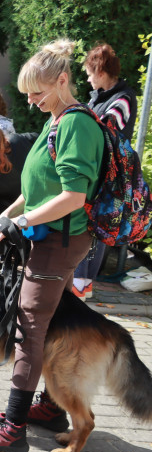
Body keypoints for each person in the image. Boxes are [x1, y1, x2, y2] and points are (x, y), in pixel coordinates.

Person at [0, 39, 104, 452]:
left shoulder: (77, 124)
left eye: (37, 92)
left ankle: (12, 427)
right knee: (42, 321)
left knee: (29, 328)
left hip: (58, 241)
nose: (30, 100)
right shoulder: (57, 119)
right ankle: (49, 409)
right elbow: (37, 189)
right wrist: (8, 216)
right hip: (48, 236)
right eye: (26, 93)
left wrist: (23, 220)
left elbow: (73, 196)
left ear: (62, 81)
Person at [71, 43, 138, 300]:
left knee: (96, 228)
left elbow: (105, 131)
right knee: (92, 226)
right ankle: (82, 284)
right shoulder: (98, 97)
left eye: (89, 72)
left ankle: (82, 284)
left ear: (100, 71)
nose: (88, 78)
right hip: (98, 172)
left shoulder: (123, 98)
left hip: (109, 176)